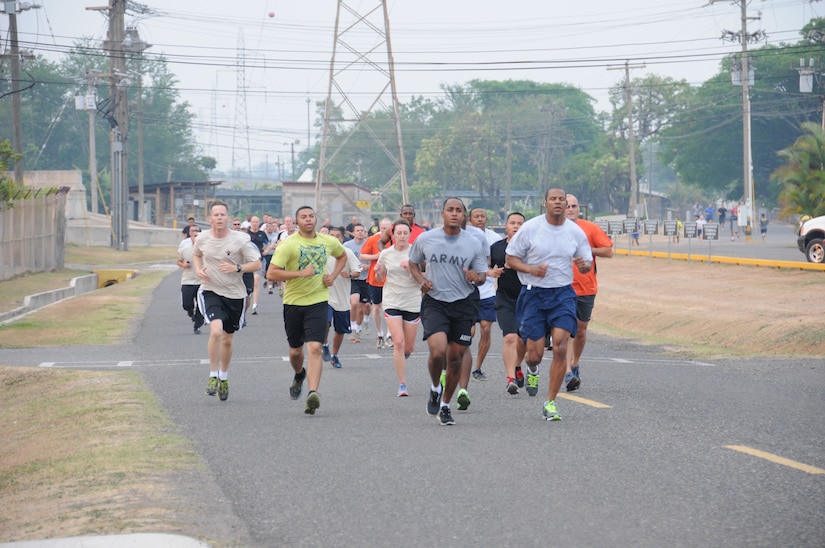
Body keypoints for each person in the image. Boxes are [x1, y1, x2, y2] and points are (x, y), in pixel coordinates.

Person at [505, 188, 592, 421]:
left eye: (561, 199)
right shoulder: (531, 228)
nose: (557, 202)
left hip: (563, 293)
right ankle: (532, 369)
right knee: (534, 354)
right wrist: (530, 269)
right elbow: (510, 259)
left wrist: (584, 266)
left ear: (566, 204)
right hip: (533, 294)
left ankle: (550, 403)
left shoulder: (575, 231)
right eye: (552, 199)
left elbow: (586, 264)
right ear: (545, 204)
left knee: (561, 346)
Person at [408, 197, 487, 426]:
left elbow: (482, 275)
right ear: (442, 213)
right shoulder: (426, 238)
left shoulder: (474, 241)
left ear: (464, 216)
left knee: (455, 359)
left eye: (459, 211)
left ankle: (445, 405)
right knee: (438, 351)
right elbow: (413, 264)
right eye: (450, 210)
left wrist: (477, 277)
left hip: (464, 303)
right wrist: (421, 280)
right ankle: (435, 387)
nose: (454, 214)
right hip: (435, 301)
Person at [267, 206, 347, 415]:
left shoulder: (327, 241)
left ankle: (313, 393)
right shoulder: (288, 244)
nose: (308, 220)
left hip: (319, 301)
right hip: (293, 303)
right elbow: (271, 274)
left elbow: (342, 256)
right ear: (296, 221)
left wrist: (334, 275)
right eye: (303, 217)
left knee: (314, 348)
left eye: (311, 216)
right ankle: (299, 374)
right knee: (295, 351)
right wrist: (300, 273)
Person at [191, 200, 262, 402]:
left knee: (228, 338)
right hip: (210, 290)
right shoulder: (203, 238)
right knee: (216, 331)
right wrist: (198, 269)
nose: (219, 218)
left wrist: (237, 268)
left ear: (228, 217)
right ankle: (213, 375)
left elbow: (257, 263)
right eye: (216, 215)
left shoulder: (240, 239)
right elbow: (196, 255)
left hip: (235, 294)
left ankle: (224, 376)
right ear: (210, 218)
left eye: (223, 214)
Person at [563, 194, 614, 392]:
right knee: (566, 329)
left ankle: (575, 363)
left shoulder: (589, 228)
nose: (571, 209)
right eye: (567, 206)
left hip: (586, 287)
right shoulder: (555, 229)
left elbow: (608, 251)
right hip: (563, 286)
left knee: (581, 329)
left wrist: (587, 249)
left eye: (574, 206)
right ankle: (567, 372)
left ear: (579, 208)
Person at [375, 219, 422, 397]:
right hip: (392, 300)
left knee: (408, 347)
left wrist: (410, 269)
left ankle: (403, 355)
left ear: (410, 235)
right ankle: (402, 384)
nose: (402, 236)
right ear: (392, 235)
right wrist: (378, 271)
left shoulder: (416, 253)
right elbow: (380, 279)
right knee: (399, 342)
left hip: (411, 300)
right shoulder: (386, 253)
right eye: (398, 233)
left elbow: (424, 276)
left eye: (405, 233)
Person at [489, 212, 527, 394]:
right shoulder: (496, 248)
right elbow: (485, 266)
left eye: (520, 223)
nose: (516, 226)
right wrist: (491, 272)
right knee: (510, 337)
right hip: (505, 298)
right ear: (506, 226)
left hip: (526, 298)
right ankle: (510, 378)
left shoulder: (530, 247)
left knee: (523, 340)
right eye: (512, 223)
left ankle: (518, 365)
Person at [468, 207, 502, 382]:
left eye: (483, 216)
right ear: (469, 219)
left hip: (488, 292)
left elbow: (499, 261)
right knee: (469, 332)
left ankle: (477, 368)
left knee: (486, 329)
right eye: (476, 216)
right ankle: (461, 361)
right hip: (467, 291)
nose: (480, 219)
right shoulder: (464, 236)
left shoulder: (494, 239)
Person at [321, 226, 362, 369]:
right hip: (325, 295)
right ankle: (324, 344)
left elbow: (357, 271)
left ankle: (335, 355)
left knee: (340, 331)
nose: (334, 238)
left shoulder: (347, 253)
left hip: (343, 298)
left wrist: (349, 275)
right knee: (325, 322)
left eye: (337, 236)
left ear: (342, 238)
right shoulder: (321, 252)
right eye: (331, 235)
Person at [360, 218, 393, 349]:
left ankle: (390, 335)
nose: (385, 231)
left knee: (390, 307)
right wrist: (377, 256)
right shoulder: (373, 239)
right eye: (383, 228)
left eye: (388, 228)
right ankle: (379, 334)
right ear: (379, 227)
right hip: (375, 279)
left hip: (391, 279)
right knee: (377, 307)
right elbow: (362, 255)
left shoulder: (394, 240)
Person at [344, 223, 372, 340]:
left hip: (366, 278)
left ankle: (362, 324)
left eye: (362, 230)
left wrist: (368, 267)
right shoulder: (347, 245)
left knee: (365, 306)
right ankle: (353, 328)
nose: (360, 232)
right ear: (353, 233)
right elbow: (343, 261)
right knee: (354, 303)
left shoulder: (369, 244)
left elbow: (378, 260)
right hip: (354, 278)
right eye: (358, 230)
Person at [176, 224, 204, 335]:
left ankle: (197, 325)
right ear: (190, 235)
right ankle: (190, 312)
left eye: (198, 234)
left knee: (201, 305)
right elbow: (178, 260)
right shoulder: (185, 248)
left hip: (202, 281)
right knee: (186, 304)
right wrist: (183, 265)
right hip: (188, 280)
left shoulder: (206, 250)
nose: (195, 236)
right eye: (193, 234)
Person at [247, 216, 269, 315]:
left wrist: (266, 251)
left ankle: (255, 305)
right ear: (250, 223)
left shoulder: (262, 234)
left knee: (256, 280)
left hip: (259, 260)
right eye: (253, 222)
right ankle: (249, 294)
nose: (255, 224)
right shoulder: (246, 234)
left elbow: (268, 244)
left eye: (256, 222)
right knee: (248, 283)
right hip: (247, 261)